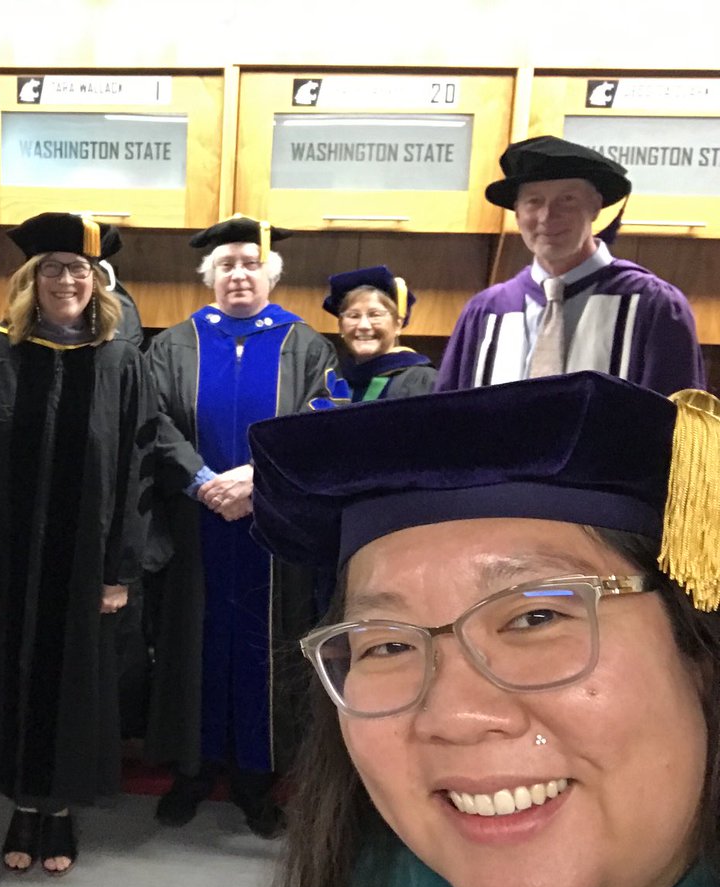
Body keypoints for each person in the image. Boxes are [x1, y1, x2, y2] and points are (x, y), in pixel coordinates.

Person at [249, 370, 720, 887]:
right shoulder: (363, 884)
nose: (455, 718)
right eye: (389, 645)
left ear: (698, 653)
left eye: (535, 617)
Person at [0, 212, 156, 875]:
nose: (66, 281)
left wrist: (121, 570)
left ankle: (58, 808)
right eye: (52, 269)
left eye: (79, 270)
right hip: (5, 556)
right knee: (10, 671)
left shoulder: (120, 361)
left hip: (84, 560)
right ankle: (21, 801)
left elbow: (136, 468)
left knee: (74, 681)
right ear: (33, 279)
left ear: (98, 281)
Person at [143, 215, 338, 837]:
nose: (238, 274)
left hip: (270, 526)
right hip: (196, 520)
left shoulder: (305, 344)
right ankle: (192, 769)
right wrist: (203, 480)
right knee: (192, 639)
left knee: (266, 641)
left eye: (250, 263)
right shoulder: (174, 343)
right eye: (226, 265)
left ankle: (258, 774)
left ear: (270, 274)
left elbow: (320, 419)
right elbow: (154, 423)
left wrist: (256, 478)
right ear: (210, 277)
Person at [436, 135, 705, 395]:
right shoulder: (486, 312)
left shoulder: (653, 306)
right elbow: (446, 422)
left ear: (595, 207)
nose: (547, 216)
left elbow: (681, 429)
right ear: (517, 213)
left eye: (567, 200)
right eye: (534, 201)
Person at [323, 264, 435, 401]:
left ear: (398, 324)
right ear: (340, 326)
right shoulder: (332, 381)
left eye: (375, 315)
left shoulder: (421, 380)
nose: (363, 325)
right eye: (353, 316)